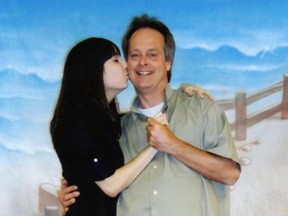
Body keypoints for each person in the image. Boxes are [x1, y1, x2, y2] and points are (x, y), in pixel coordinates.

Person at [59, 14, 241, 216]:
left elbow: (230, 174)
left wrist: (173, 145)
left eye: (152, 55)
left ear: (168, 62)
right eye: (134, 55)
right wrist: (77, 192)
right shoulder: (118, 128)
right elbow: (100, 179)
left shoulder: (199, 108)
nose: (142, 62)